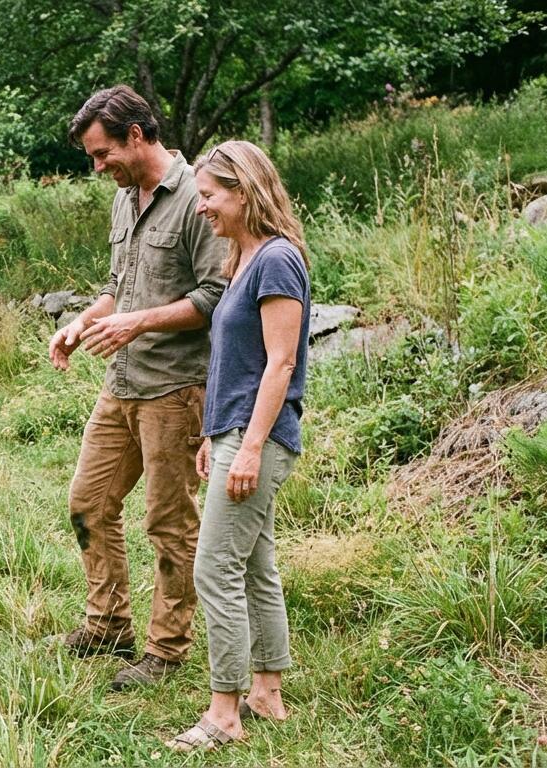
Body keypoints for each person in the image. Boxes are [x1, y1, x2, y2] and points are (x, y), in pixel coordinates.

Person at [49, 85, 226, 692]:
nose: (99, 168)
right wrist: (86, 322)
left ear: (137, 134)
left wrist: (136, 322)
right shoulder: (125, 199)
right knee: (88, 503)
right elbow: (118, 288)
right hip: (119, 382)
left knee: (168, 521)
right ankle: (107, 624)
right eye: (93, 159)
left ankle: (166, 649)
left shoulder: (200, 196)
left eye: (103, 154)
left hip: (176, 389)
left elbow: (215, 297)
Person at [170, 140, 311, 751]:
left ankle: (223, 714)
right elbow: (234, 359)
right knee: (255, 565)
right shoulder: (242, 256)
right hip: (231, 431)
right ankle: (267, 693)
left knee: (214, 568)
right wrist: (211, 434)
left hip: (259, 435)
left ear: (245, 191)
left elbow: (280, 365)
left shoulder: (277, 260)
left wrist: (250, 447)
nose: (201, 207)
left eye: (208, 196)